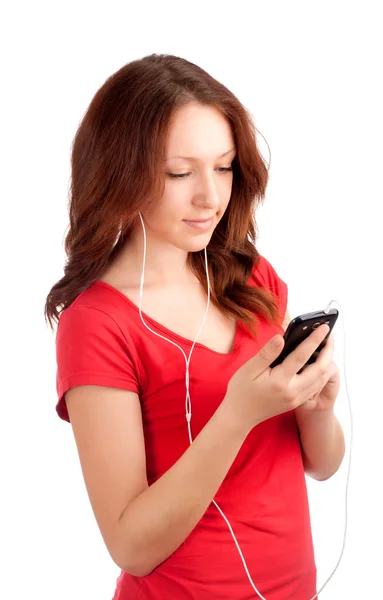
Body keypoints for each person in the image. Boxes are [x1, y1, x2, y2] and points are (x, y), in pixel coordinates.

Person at [45, 53, 345, 600]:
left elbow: (321, 465)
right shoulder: (97, 325)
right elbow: (130, 546)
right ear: (121, 175)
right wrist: (236, 414)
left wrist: (314, 410)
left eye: (225, 166)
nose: (210, 196)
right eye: (180, 173)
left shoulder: (252, 279)